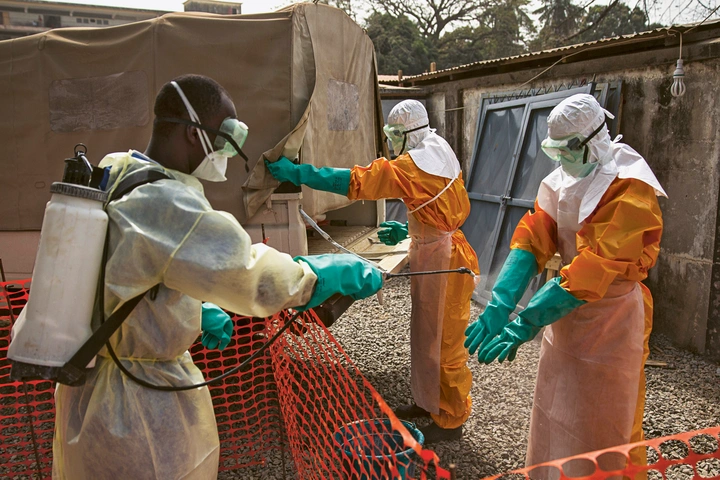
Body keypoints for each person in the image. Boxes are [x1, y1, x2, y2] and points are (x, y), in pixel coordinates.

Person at [52, 74, 383, 480]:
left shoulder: (118, 169)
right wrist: (314, 274)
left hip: (86, 390)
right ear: (193, 133)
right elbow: (248, 272)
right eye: (224, 135)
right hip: (136, 407)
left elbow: (129, 267)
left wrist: (189, 304)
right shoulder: (168, 202)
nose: (228, 150)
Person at [464, 93, 666, 471]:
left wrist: (527, 320)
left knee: (606, 425)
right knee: (556, 412)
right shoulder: (563, 179)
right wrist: (500, 302)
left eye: (567, 151)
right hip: (565, 315)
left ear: (593, 141)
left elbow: (595, 265)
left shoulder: (630, 187)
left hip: (612, 320)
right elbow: (533, 236)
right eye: (555, 151)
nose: (562, 160)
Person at [265, 99, 479, 444]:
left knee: (445, 343)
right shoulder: (437, 150)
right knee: (427, 335)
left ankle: (451, 421)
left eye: (394, 134)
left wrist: (299, 174)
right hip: (439, 250)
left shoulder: (413, 166)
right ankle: (430, 404)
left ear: (408, 132)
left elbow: (354, 181)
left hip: (445, 262)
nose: (392, 141)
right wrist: (412, 231)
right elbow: (438, 207)